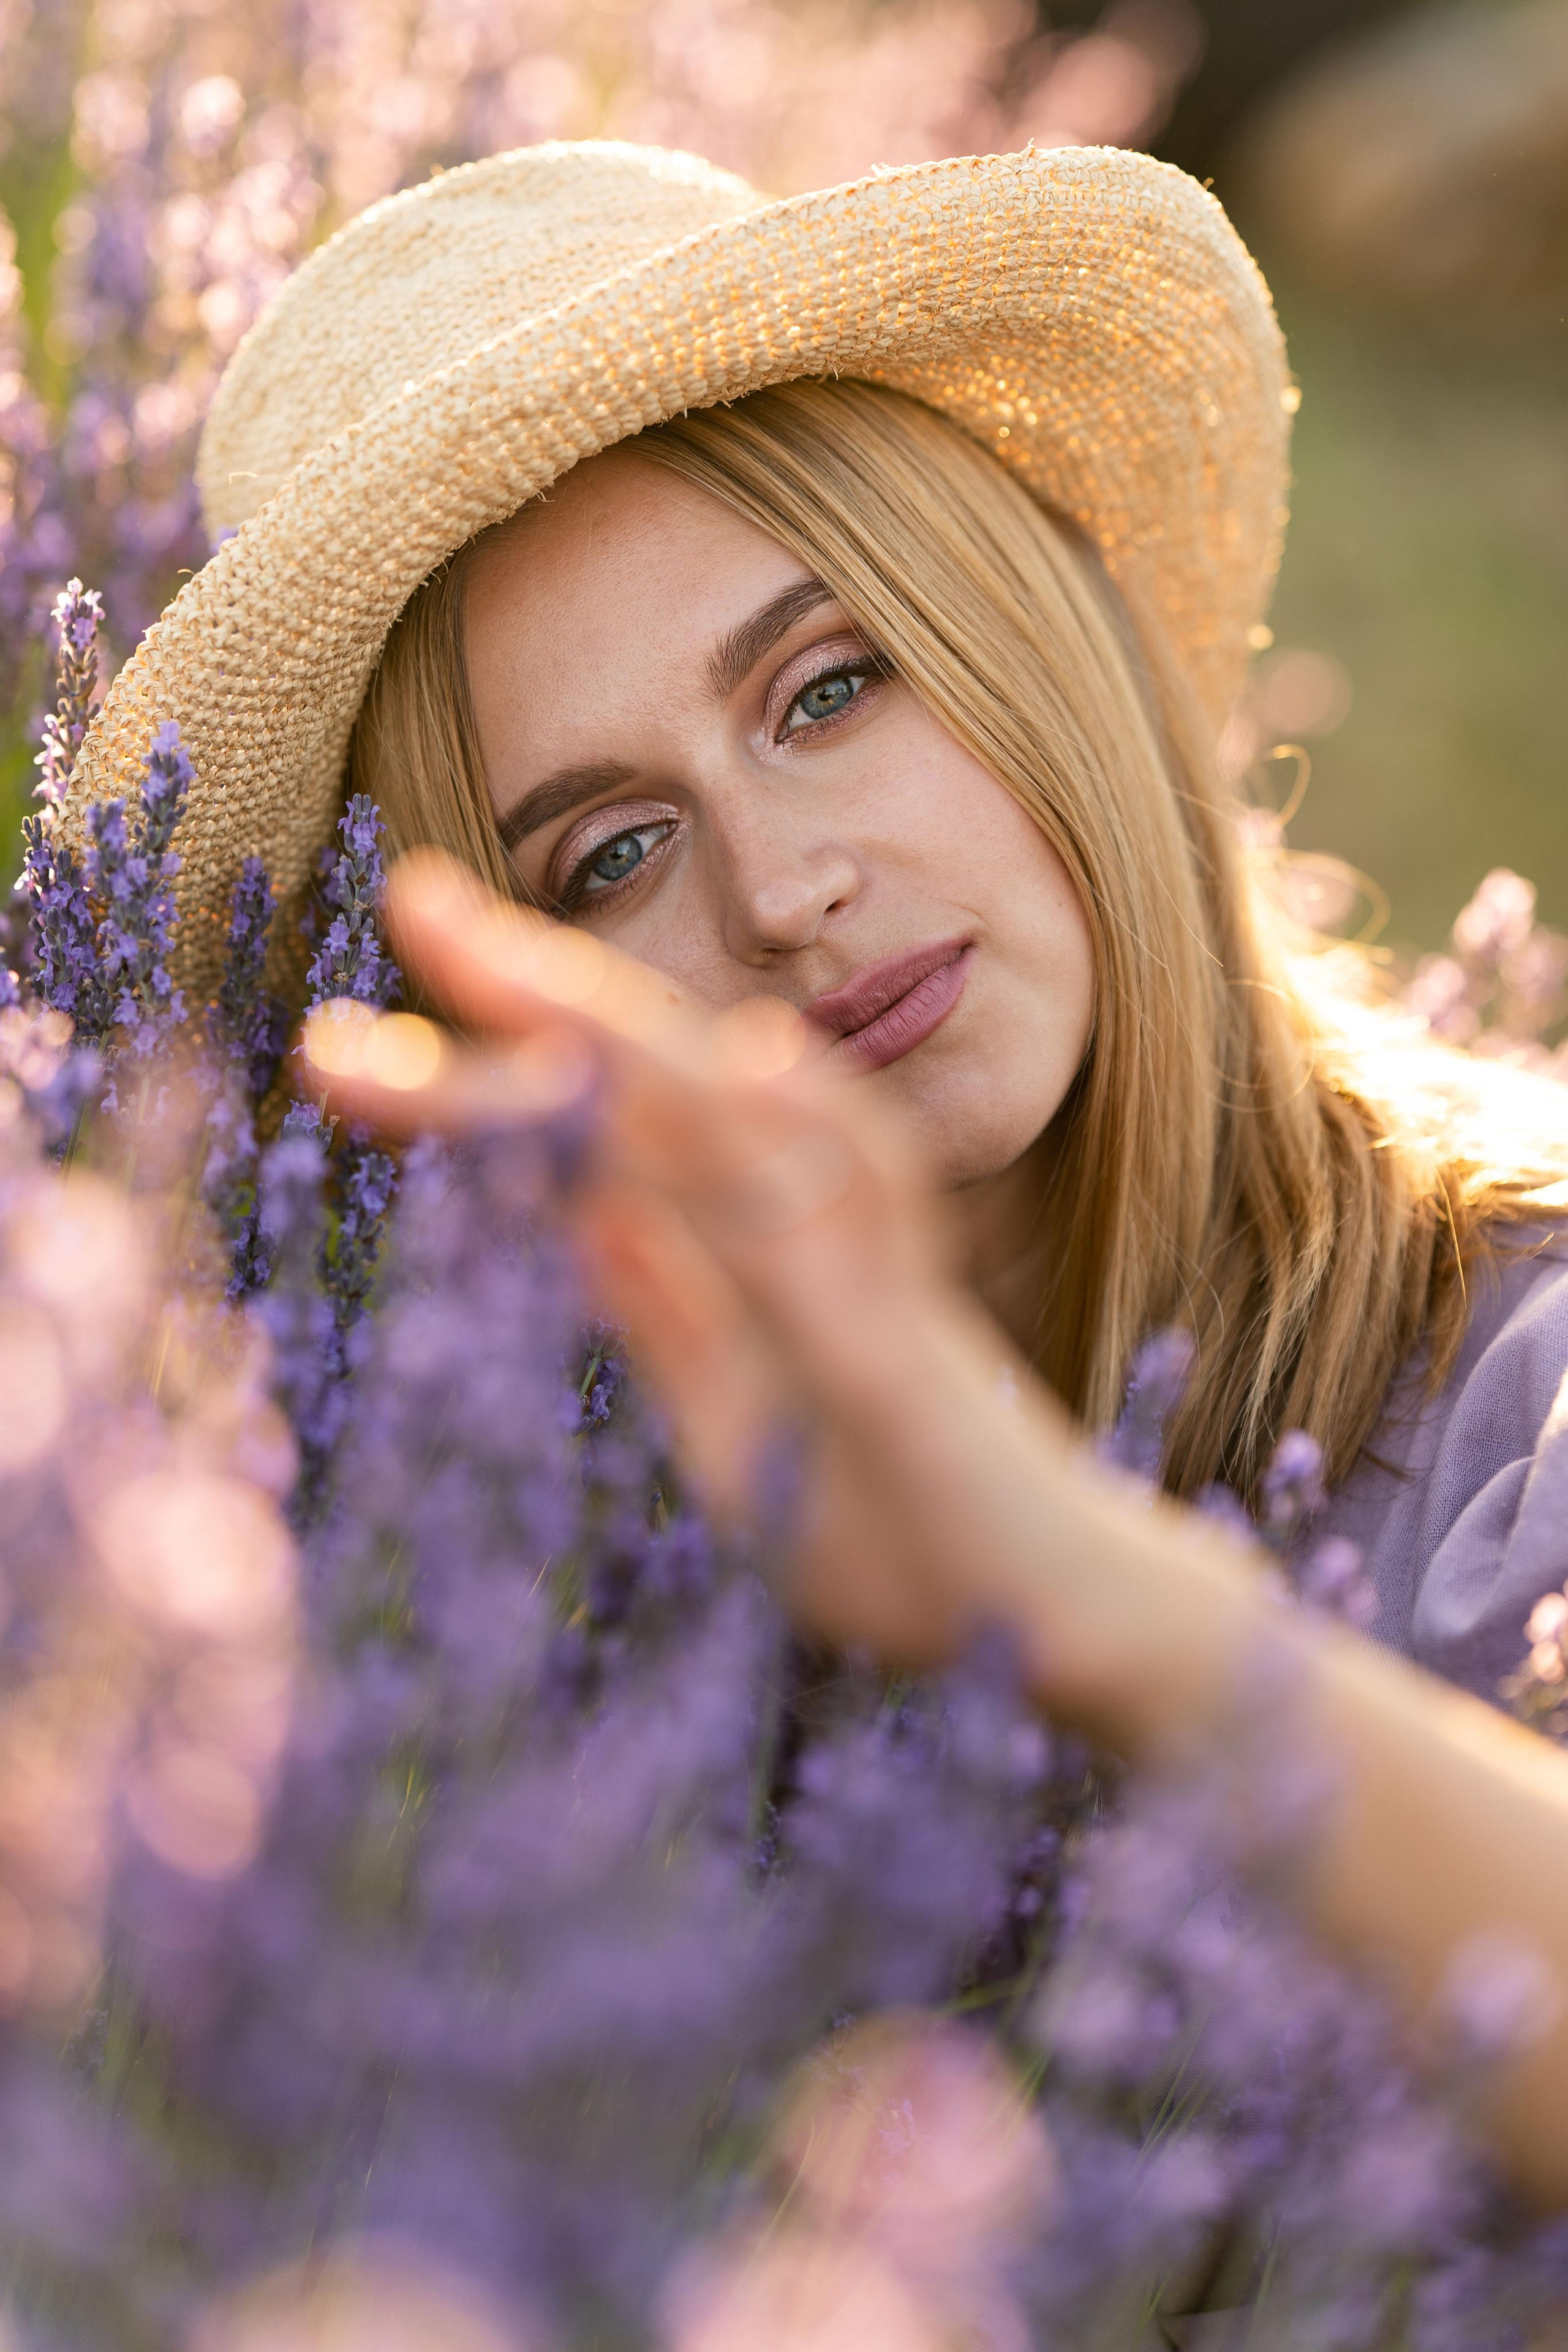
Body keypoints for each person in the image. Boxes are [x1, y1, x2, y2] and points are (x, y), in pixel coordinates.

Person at [69, 140, 1568, 2238]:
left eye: (829, 689)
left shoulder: (1528, 1377)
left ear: (1029, 620)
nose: (784, 894)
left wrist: (1093, 1593)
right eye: (608, 855)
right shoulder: (573, 1666)